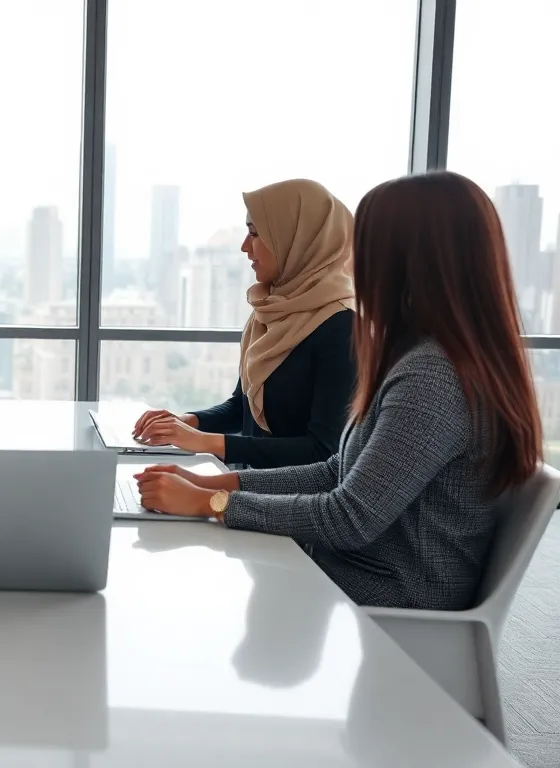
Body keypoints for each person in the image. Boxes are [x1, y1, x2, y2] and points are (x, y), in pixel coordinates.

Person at [135, 171, 543, 611]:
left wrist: (212, 503)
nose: (353, 261)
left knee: (189, 592)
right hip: (352, 574)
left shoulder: (435, 376)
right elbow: (336, 472)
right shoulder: (420, 355)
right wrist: (213, 484)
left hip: (390, 601)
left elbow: (351, 517)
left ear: (407, 262)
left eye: (366, 247)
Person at [134, 179, 356, 469]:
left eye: (254, 233)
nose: (244, 247)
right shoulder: (270, 310)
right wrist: (186, 421)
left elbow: (324, 453)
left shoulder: (344, 327)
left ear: (296, 239)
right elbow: (243, 407)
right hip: (248, 489)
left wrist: (205, 442)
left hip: (294, 508)